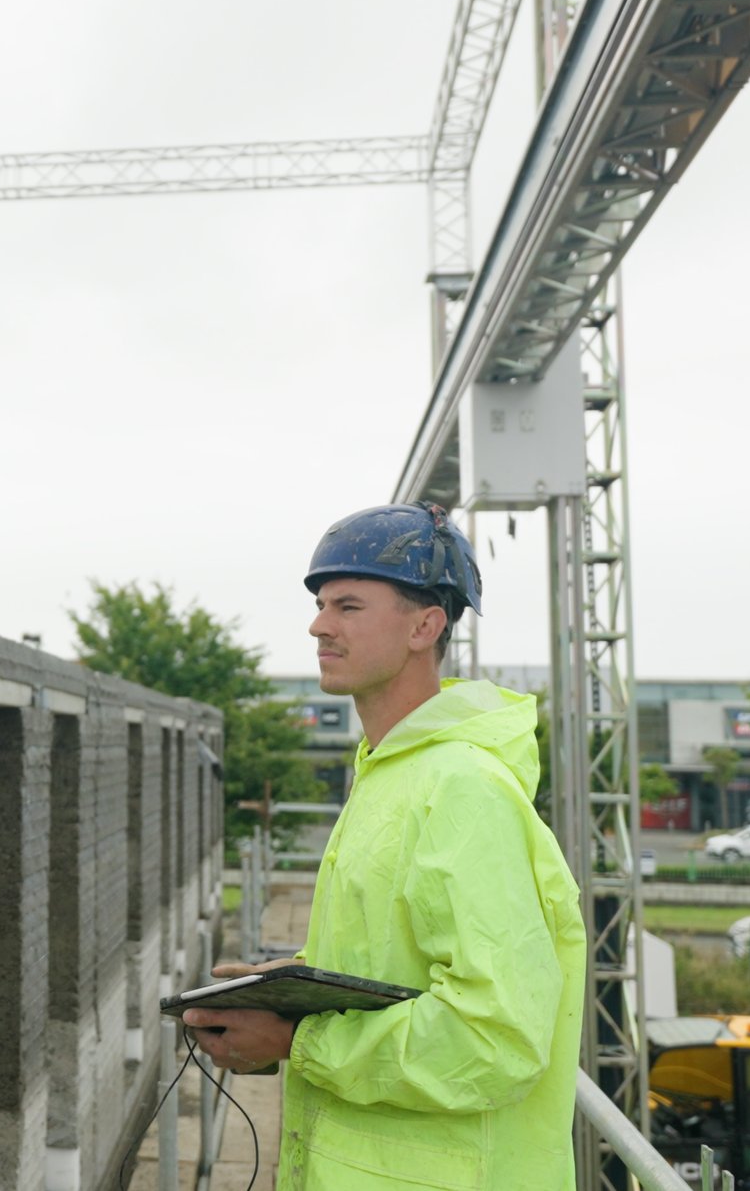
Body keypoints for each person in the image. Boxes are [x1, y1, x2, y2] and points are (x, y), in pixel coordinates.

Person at [182, 503, 586, 1189]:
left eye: (347, 605)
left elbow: (495, 1038)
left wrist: (298, 1041)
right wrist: (305, 984)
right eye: (318, 605)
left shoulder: (463, 789)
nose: (318, 624)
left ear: (424, 626)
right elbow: (415, 961)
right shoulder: (392, 773)